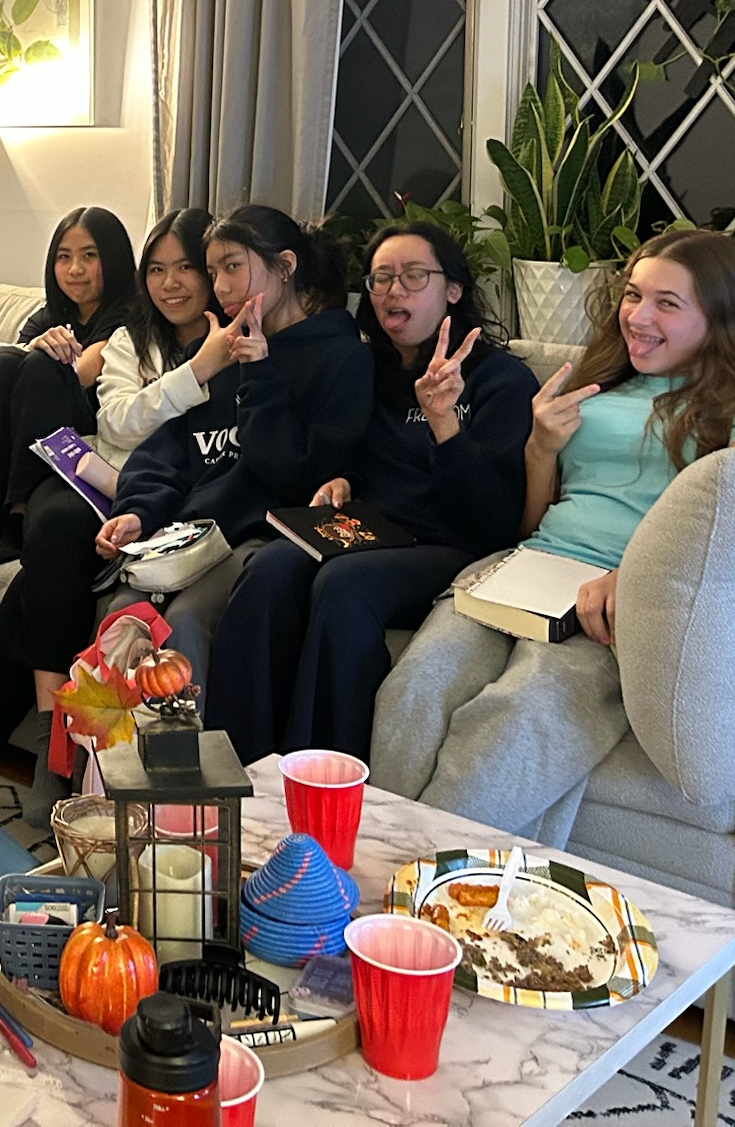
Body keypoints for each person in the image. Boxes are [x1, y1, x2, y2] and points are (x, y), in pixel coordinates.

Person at [371, 228, 735, 845]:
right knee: (414, 688)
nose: (638, 317)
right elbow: (532, 525)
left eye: (668, 303)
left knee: (521, 713)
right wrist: (541, 449)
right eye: (634, 295)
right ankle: (376, 860)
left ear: (722, 314)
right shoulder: (601, 380)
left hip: (626, 600)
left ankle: (424, 870)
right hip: (530, 565)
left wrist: (630, 578)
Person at [0, 209, 232, 844]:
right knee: (54, 525)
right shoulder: (132, 339)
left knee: (42, 564)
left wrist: (200, 372)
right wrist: (195, 373)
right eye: (158, 269)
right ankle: (38, 746)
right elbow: (117, 422)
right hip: (111, 486)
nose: (171, 283)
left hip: (170, 509)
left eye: (187, 268)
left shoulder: (238, 344)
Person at [203, 221, 536, 764]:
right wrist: (345, 480)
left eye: (413, 276)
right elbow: (352, 456)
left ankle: (324, 775)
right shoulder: (372, 370)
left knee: (344, 583)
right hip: (366, 529)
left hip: (450, 545)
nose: (393, 291)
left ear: (453, 289)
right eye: (381, 279)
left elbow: (493, 520)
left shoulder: (501, 381)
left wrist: (445, 423)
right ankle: (235, 766)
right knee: (270, 567)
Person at [98, 205, 374, 682]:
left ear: (285, 266)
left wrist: (260, 374)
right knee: (120, 617)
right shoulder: (218, 351)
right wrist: (138, 512)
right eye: (213, 273)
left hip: (260, 539)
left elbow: (297, 475)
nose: (221, 287)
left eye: (233, 267)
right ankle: (101, 736)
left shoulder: (341, 357)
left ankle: (193, 736)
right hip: (187, 535)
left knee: (184, 623)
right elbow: (167, 454)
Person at [0, 206, 139, 571]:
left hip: (88, 433)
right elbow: (11, 365)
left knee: (41, 365)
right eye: (64, 257)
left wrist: (40, 352)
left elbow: (85, 373)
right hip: (41, 417)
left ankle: (19, 516)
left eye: (89, 256)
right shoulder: (51, 314)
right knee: (1, 368)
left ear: (113, 258)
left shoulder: (131, 311)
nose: (75, 269)